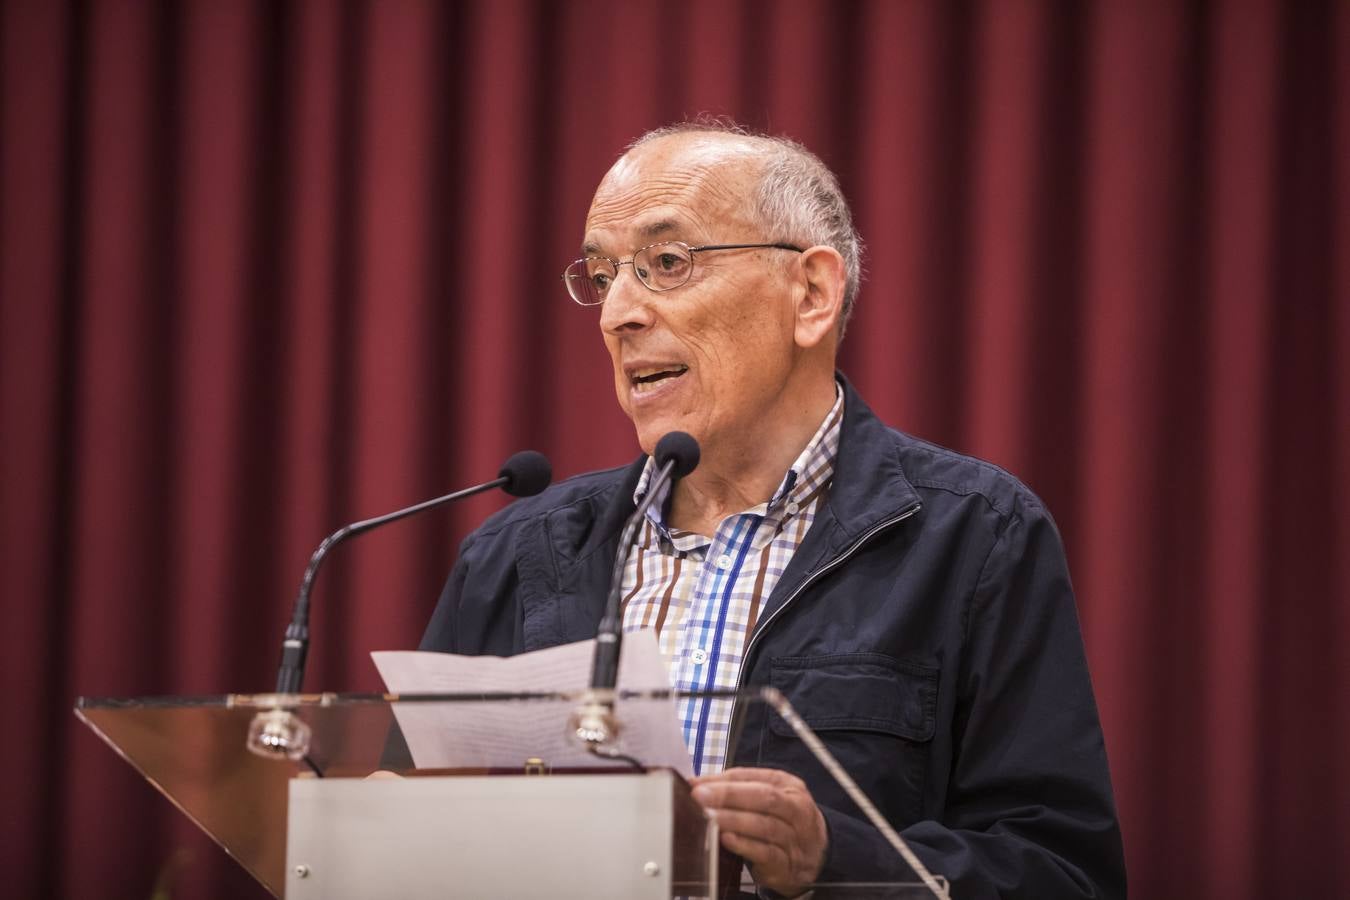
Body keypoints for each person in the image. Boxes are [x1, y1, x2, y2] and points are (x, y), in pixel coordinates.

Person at [419, 121, 1126, 899]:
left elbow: (1064, 875)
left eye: (666, 263)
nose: (615, 313)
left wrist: (837, 857)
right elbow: (414, 830)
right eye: (601, 274)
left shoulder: (975, 536)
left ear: (812, 294)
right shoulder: (516, 554)